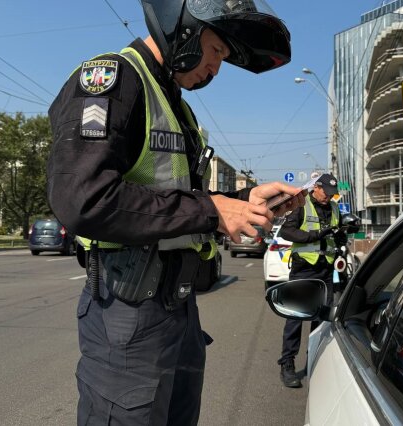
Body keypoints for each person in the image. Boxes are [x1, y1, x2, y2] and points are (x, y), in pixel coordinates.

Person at [46, 1, 304, 424]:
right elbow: (83, 199)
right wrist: (210, 210)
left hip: (178, 310)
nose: (217, 69)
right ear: (184, 22)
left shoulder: (175, 103)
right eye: (217, 50)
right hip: (127, 308)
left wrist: (244, 199)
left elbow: (179, 196)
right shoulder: (114, 78)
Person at [276, 173, 345, 388]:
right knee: (296, 317)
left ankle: (313, 361)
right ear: (316, 187)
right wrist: (314, 235)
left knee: (320, 319)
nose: (329, 197)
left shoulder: (334, 208)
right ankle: (287, 364)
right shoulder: (302, 205)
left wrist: (343, 236)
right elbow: (286, 232)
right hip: (304, 269)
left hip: (326, 270)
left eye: (332, 194)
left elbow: (336, 234)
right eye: (326, 192)